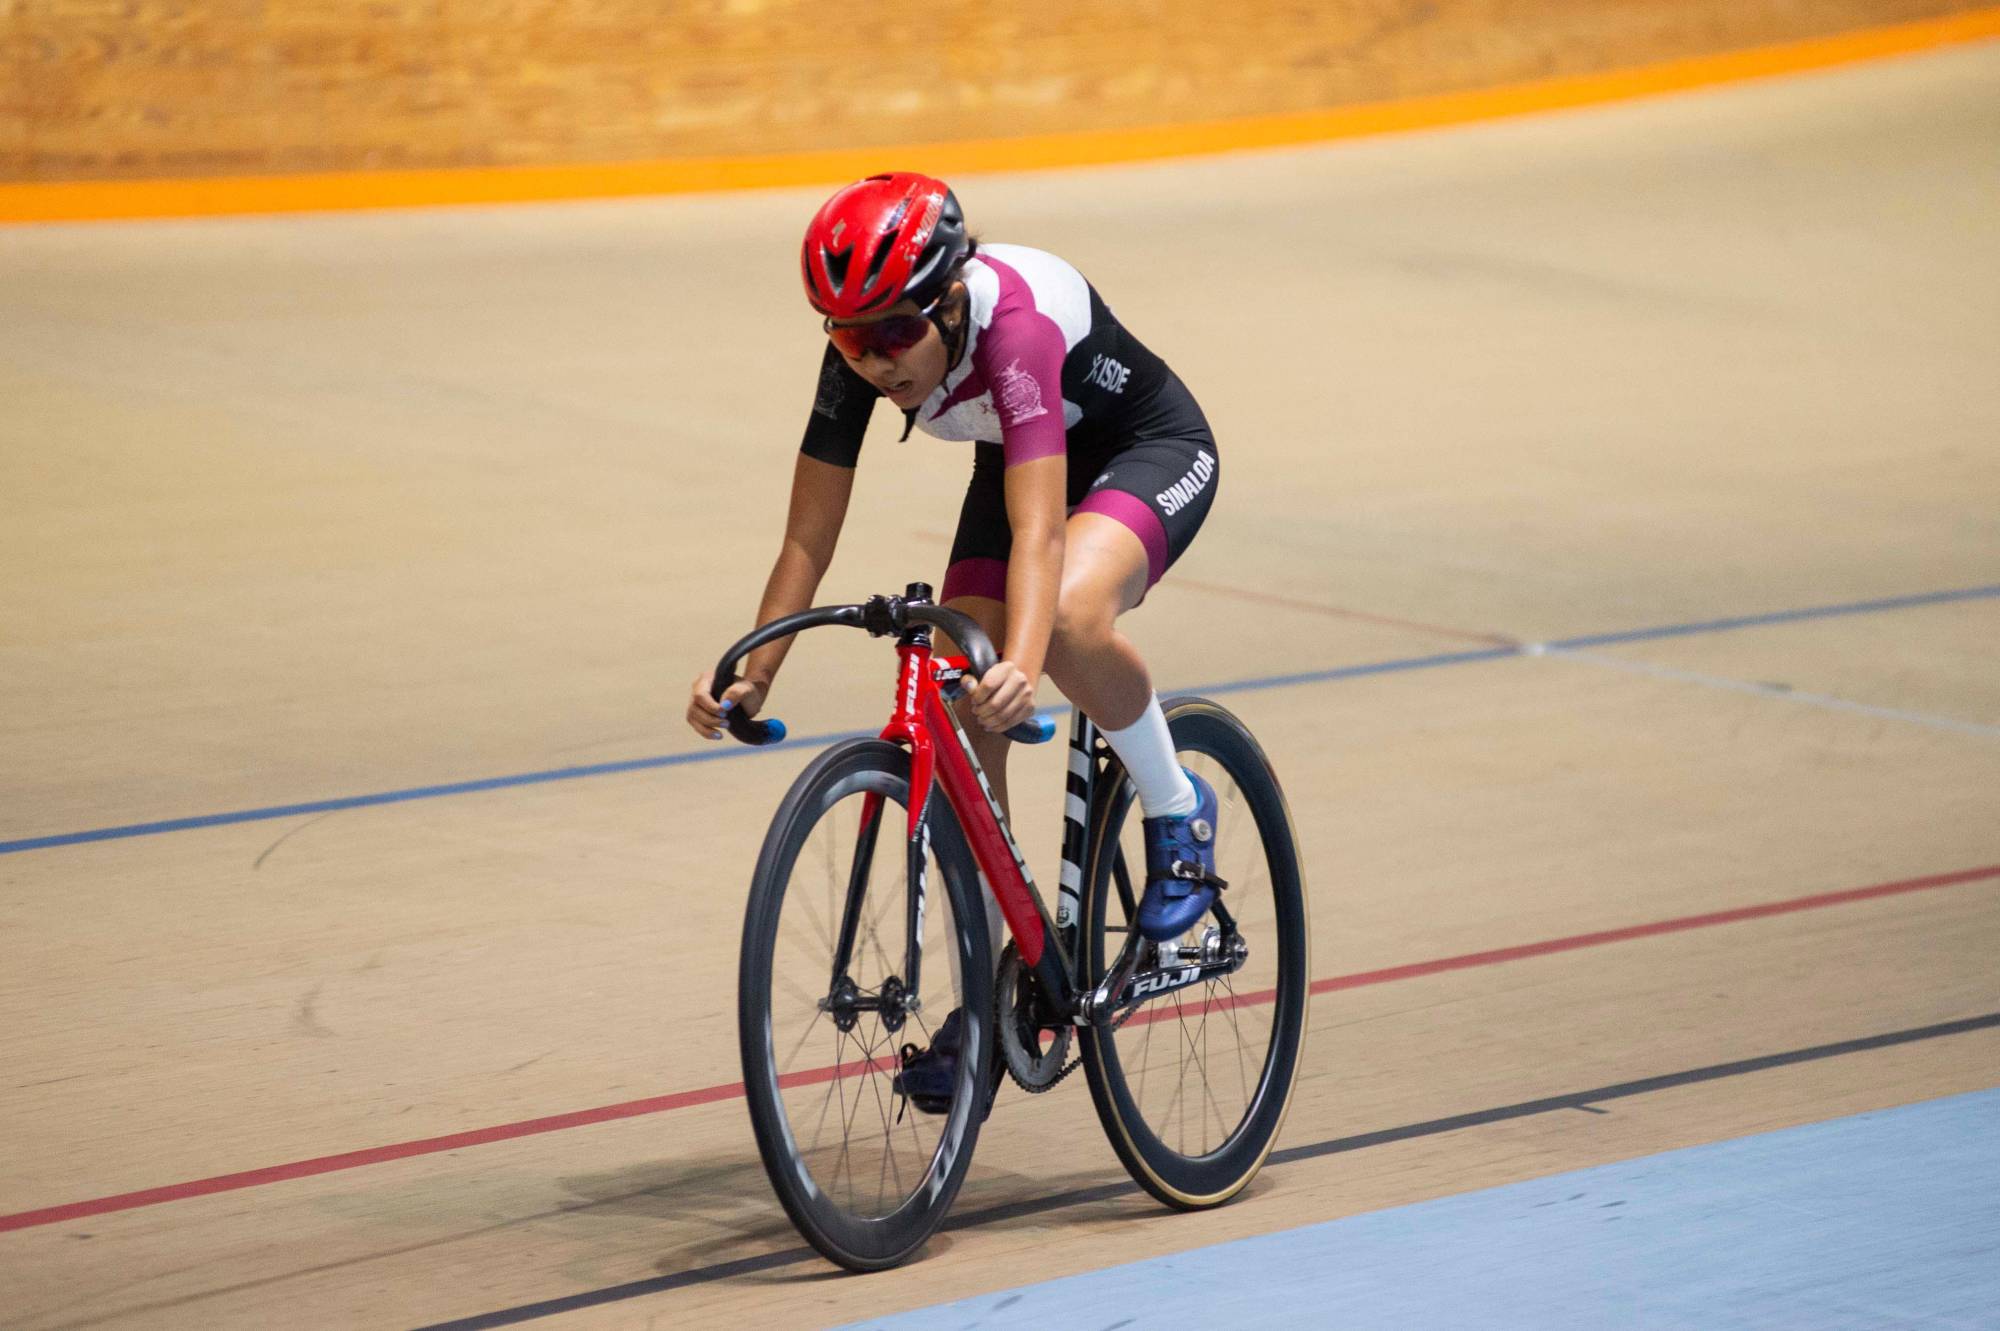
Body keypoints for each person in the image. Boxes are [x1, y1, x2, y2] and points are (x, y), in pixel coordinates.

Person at [686, 171, 1223, 1110]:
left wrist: (1021, 664)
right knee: (958, 694)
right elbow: (808, 534)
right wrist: (754, 668)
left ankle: (1178, 809)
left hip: (1145, 449)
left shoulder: (1013, 329)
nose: (877, 360)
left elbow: (1041, 539)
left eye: (897, 331)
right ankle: (993, 993)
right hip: (1020, 455)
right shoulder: (858, 356)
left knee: (1057, 624)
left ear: (946, 298)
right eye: (852, 338)